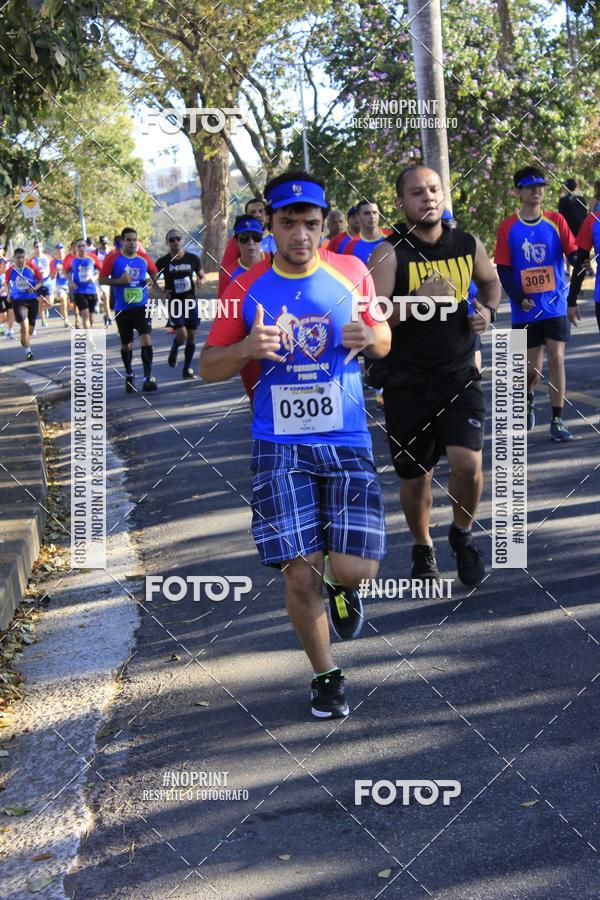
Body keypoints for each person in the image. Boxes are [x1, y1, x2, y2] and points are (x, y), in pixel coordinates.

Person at [200, 170, 391, 719]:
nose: (301, 235)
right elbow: (207, 367)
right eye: (288, 223)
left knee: (357, 570)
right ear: (271, 225)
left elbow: (382, 337)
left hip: (347, 437)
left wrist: (369, 336)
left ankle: (343, 586)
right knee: (299, 569)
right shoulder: (240, 284)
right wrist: (245, 349)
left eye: (311, 223)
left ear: (324, 224)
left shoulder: (353, 271)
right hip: (277, 444)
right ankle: (326, 676)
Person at [369, 164, 500, 586]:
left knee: (468, 464)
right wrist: (418, 300)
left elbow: (491, 282)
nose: (427, 197)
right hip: (406, 382)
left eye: (433, 189)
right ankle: (422, 544)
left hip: (458, 375)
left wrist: (486, 310)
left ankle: (461, 535)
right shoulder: (389, 254)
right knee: (415, 477)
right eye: (416, 192)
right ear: (400, 203)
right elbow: (374, 316)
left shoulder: (467, 243)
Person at [495, 166, 578, 441]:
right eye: (530, 186)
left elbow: (574, 252)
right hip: (526, 308)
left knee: (556, 358)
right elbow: (504, 268)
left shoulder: (556, 220)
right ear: (518, 191)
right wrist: (519, 297)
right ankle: (528, 396)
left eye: (541, 185)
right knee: (531, 370)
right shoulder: (509, 226)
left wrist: (579, 263)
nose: (537, 190)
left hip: (554, 303)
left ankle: (557, 420)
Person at [100, 227, 162, 393]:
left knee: (146, 339)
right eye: (129, 240)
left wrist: (151, 282)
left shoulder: (143, 258)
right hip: (123, 308)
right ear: (122, 241)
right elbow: (102, 280)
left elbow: (155, 275)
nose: (132, 243)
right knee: (127, 344)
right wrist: (120, 281)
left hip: (142, 306)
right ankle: (129, 374)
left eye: (135, 240)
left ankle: (147, 378)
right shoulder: (113, 258)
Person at [155, 228, 204, 379]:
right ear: (167, 243)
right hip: (175, 303)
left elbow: (201, 275)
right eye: (171, 240)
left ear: (182, 240)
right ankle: (175, 348)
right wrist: (162, 293)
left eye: (177, 238)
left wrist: (200, 281)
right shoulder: (162, 262)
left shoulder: (193, 259)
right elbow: (152, 281)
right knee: (182, 335)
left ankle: (187, 369)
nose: (175, 242)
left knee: (191, 337)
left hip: (190, 302)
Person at [218, 198, 277, 294]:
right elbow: (226, 274)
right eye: (252, 212)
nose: (257, 215)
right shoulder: (234, 243)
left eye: (261, 211)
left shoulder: (278, 240)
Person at [6, 248, 43, 359]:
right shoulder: (11, 270)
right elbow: (7, 282)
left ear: (25, 257)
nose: (21, 259)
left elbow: (41, 281)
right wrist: (9, 294)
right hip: (18, 301)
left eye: (22, 257)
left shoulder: (32, 267)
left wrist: (34, 288)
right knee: (24, 326)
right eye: (18, 257)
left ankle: (24, 339)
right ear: (14, 258)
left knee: (30, 330)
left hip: (32, 300)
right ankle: (28, 351)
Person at [567, 209, 600, 330]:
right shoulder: (593, 220)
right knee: (517, 347)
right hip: (520, 310)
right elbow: (580, 264)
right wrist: (571, 300)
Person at [65, 238, 102, 329]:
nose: (81, 248)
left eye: (83, 245)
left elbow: (101, 270)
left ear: (86, 247)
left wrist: (95, 277)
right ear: (76, 248)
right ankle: (89, 339)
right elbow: (65, 272)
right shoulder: (72, 260)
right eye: (79, 246)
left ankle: (89, 331)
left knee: (91, 318)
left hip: (92, 290)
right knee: (85, 316)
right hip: (79, 291)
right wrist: (71, 281)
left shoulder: (92, 258)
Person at [343, 200, 387, 265]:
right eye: (367, 213)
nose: (372, 217)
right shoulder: (351, 246)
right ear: (358, 217)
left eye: (375, 212)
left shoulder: (392, 237)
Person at [29, 239, 53, 328]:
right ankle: (43, 321)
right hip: (38, 284)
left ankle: (44, 309)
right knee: (40, 301)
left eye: (39, 246)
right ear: (33, 248)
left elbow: (52, 267)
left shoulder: (47, 257)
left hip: (47, 283)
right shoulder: (31, 261)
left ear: (42, 247)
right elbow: (29, 273)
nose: (38, 248)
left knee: (50, 303)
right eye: (36, 247)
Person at [49, 243, 70, 328]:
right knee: (63, 299)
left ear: (64, 249)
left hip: (71, 283)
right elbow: (52, 276)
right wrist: (55, 269)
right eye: (58, 249)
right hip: (60, 284)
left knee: (72, 304)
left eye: (61, 248)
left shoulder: (69, 258)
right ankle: (66, 320)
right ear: (56, 251)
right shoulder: (53, 262)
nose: (60, 250)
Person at [95, 235, 113, 326]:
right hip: (101, 277)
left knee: (108, 297)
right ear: (99, 243)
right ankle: (109, 315)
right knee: (105, 296)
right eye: (103, 244)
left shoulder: (111, 251)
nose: (104, 245)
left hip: (112, 277)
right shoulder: (95, 252)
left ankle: (106, 315)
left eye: (106, 243)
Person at [0, 253, 13, 338]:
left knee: (11, 312)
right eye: (4, 262)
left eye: (7, 262)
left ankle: (9, 330)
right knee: (4, 317)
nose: (6, 264)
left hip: (10, 296)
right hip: (1, 297)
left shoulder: (11, 274)